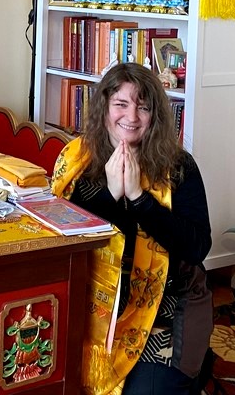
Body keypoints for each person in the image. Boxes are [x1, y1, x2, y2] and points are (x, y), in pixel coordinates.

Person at [50, 63, 212, 394]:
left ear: (156, 115)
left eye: (143, 107)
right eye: (121, 104)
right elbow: (63, 235)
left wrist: (140, 199)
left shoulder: (179, 167)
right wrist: (110, 195)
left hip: (165, 300)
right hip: (93, 299)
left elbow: (197, 248)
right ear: (104, 108)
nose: (132, 117)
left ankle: (195, 363)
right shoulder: (77, 161)